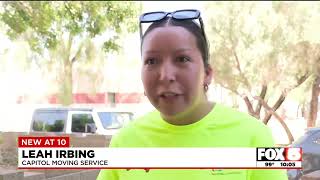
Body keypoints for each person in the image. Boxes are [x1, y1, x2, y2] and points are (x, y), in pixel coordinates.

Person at [97, 9, 288, 180]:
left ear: (207, 73)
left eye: (182, 59)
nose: (165, 76)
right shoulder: (125, 141)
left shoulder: (254, 136)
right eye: (152, 61)